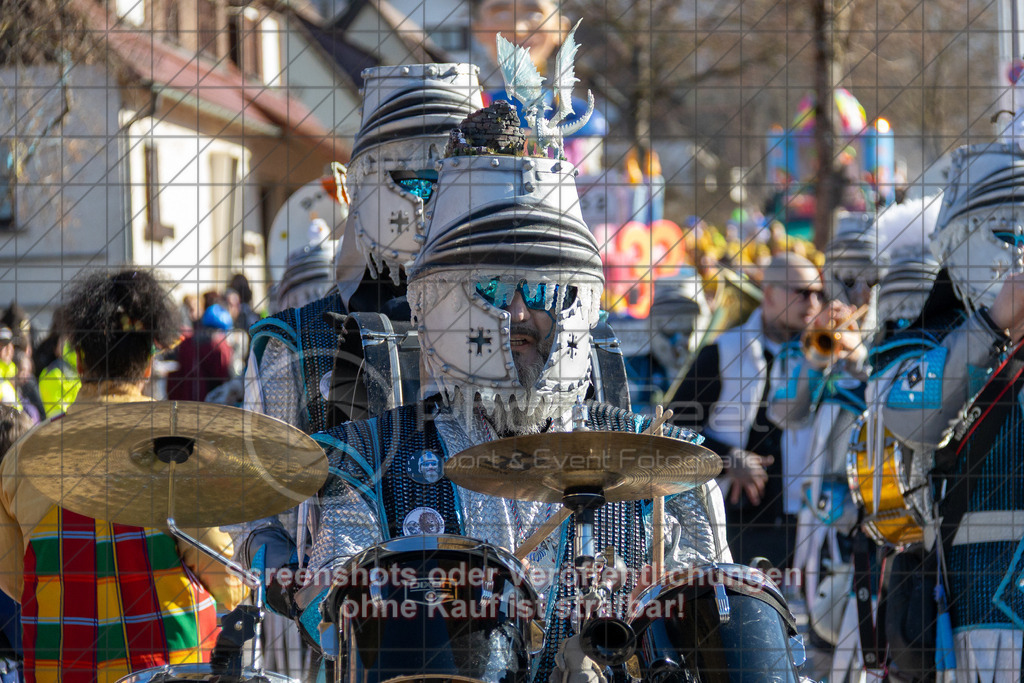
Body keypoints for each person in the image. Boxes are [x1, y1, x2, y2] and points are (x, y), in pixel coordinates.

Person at [293, 104, 731, 683]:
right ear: (434, 302)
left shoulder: (664, 469)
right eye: (492, 288)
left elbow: (716, 629)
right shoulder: (368, 464)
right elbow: (332, 620)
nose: (520, 314)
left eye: (543, 289)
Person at [0, 269, 246, 682]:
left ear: (79, 361)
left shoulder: (21, 459)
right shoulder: (177, 452)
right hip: (168, 672)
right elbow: (223, 577)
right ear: (148, 364)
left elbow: (15, 581)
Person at [876, 143, 1024, 682]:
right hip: (985, 612)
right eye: (1008, 237)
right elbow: (905, 419)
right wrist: (991, 325)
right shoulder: (928, 334)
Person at [669, 252, 822, 570]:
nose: (813, 302)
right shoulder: (719, 353)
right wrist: (726, 460)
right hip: (734, 525)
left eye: (819, 293)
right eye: (802, 292)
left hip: (804, 525)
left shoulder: (826, 355)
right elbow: (670, 432)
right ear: (769, 294)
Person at [166, 302, 235, 402]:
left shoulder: (188, 342)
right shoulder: (220, 346)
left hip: (187, 403)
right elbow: (224, 376)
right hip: (211, 403)